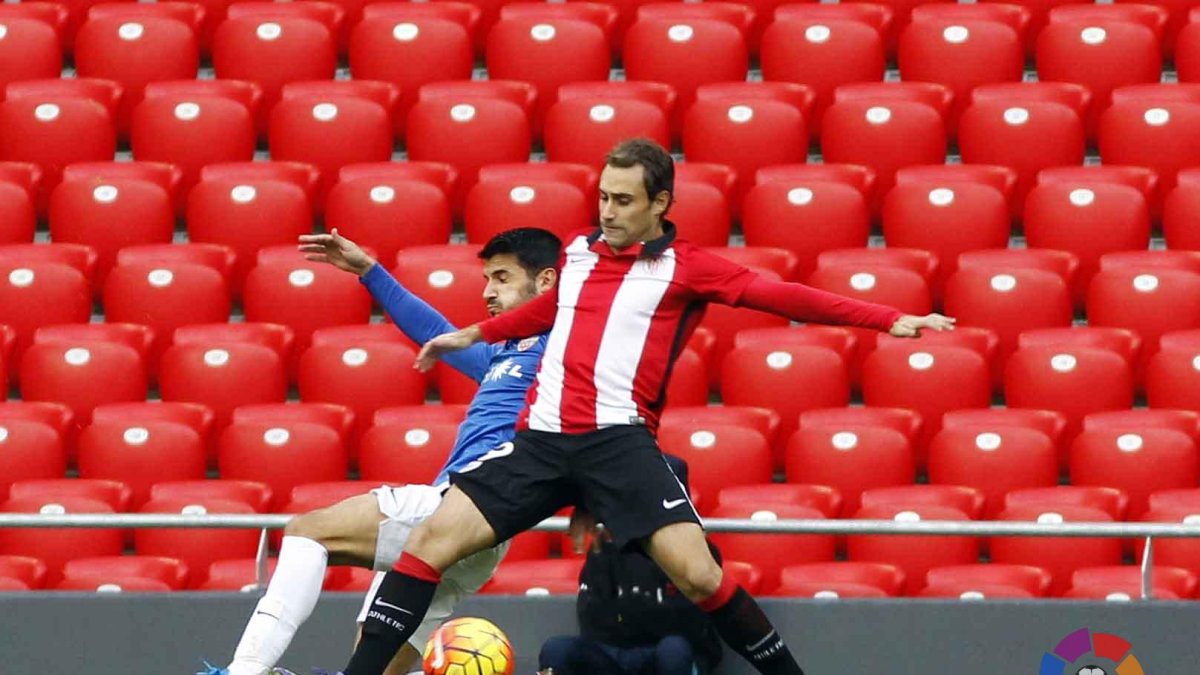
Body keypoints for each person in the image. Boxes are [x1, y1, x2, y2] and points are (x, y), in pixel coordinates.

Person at [341, 138, 956, 675]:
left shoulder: (688, 270)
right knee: (430, 542)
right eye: (603, 197)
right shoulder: (578, 252)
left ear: (660, 204)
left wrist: (886, 318)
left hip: (618, 443)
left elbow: (780, 295)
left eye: (624, 200)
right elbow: (548, 310)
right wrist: (475, 333)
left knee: (700, 577)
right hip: (542, 438)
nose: (607, 211)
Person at [202, 227, 562, 675]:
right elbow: (434, 331)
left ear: (546, 281)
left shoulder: (563, 353)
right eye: (487, 279)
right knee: (370, 667)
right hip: (476, 542)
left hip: (462, 504)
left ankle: (245, 669)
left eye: (503, 278)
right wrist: (368, 271)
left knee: (308, 530)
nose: (488, 292)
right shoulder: (504, 355)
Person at [539, 455, 723, 675]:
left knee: (673, 649)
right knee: (557, 649)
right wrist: (644, 611)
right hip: (614, 653)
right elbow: (592, 619)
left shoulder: (699, 553)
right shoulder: (607, 545)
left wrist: (630, 613)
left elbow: (691, 626)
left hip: (670, 654)